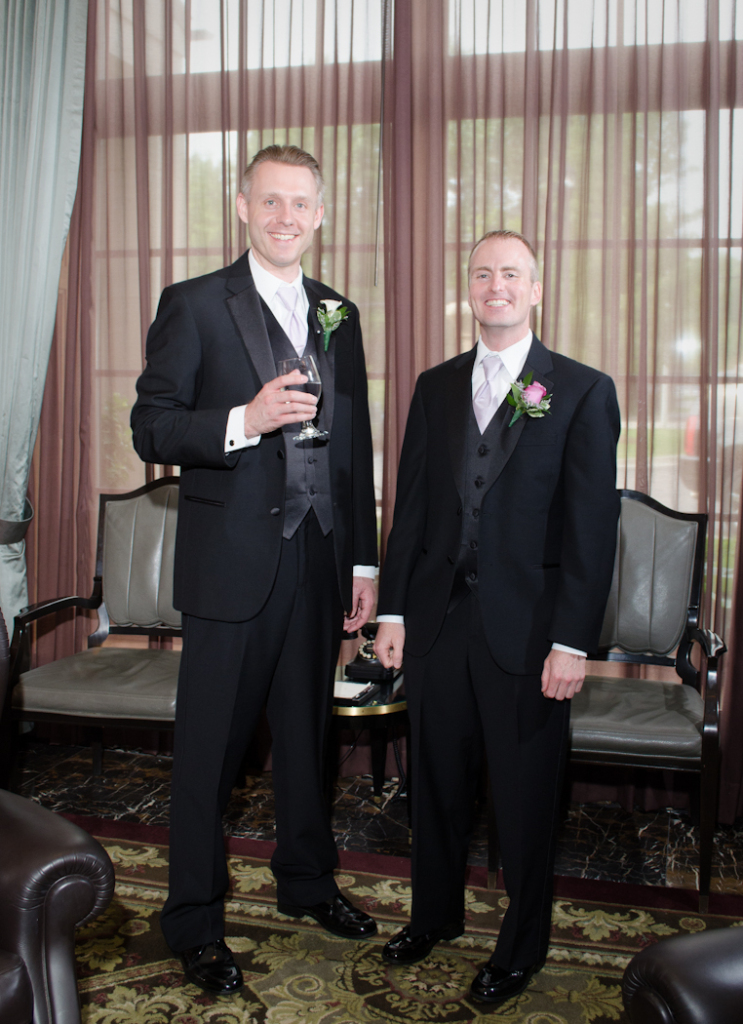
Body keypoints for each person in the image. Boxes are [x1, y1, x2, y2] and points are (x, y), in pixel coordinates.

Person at [131, 145, 379, 995]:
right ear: (242, 206)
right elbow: (152, 427)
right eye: (270, 201)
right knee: (209, 756)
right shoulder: (194, 303)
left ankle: (306, 882)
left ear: (320, 214)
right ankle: (194, 922)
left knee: (307, 743)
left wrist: (363, 559)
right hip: (230, 570)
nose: (285, 217)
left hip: (318, 559)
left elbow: (354, 446)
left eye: (300, 203)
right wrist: (245, 417)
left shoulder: (339, 312)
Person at [374, 230, 620, 1008]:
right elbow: (411, 510)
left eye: (510, 274)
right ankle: (433, 918)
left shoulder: (580, 389)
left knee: (522, 800)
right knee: (434, 787)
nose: (495, 286)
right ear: (469, 289)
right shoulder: (435, 386)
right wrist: (393, 612)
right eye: (482, 274)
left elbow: (591, 532)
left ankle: (520, 948)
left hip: (531, 634)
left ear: (535, 290)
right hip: (438, 625)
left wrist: (572, 642)